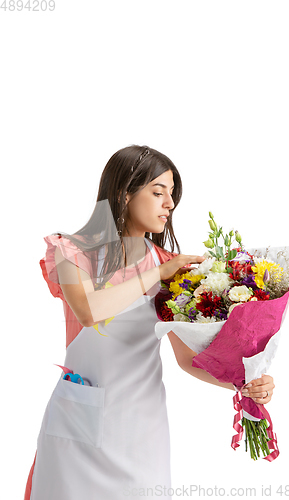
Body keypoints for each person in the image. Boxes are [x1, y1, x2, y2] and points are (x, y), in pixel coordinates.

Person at [24, 145, 275, 500]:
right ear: (124, 194)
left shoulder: (170, 269)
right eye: (158, 193)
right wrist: (159, 271)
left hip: (142, 426)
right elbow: (88, 310)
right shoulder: (71, 252)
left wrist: (243, 383)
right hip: (77, 421)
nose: (169, 204)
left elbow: (188, 359)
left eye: (172, 195)